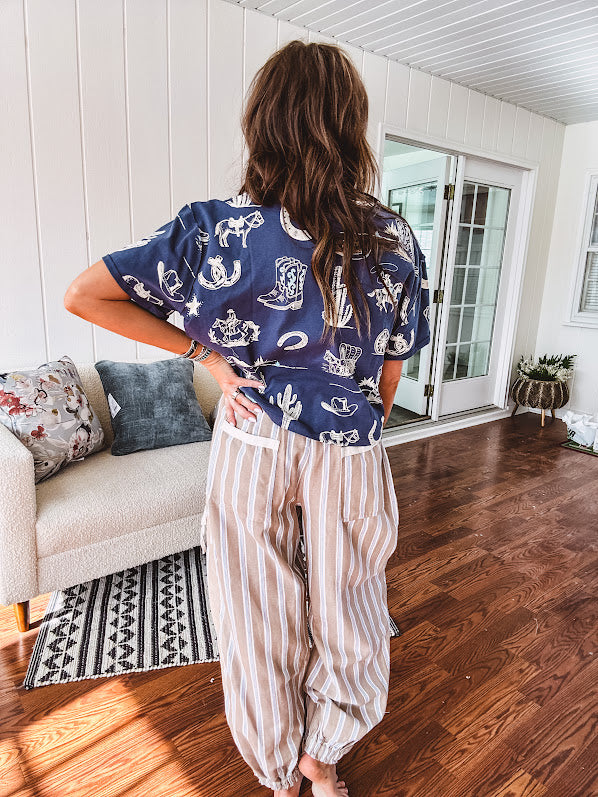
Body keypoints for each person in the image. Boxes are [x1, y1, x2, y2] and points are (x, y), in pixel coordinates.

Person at [64, 39, 430, 797]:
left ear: (263, 122)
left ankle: (276, 770)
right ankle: (321, 758)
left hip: (252, 432)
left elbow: (85, 294)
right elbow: (395, 363)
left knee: (254, 608)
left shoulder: (216, 229)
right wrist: (362, 420)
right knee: (350, 605)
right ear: (350, 125)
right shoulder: (392, 239)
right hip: (349, 443)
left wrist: (205, 353)